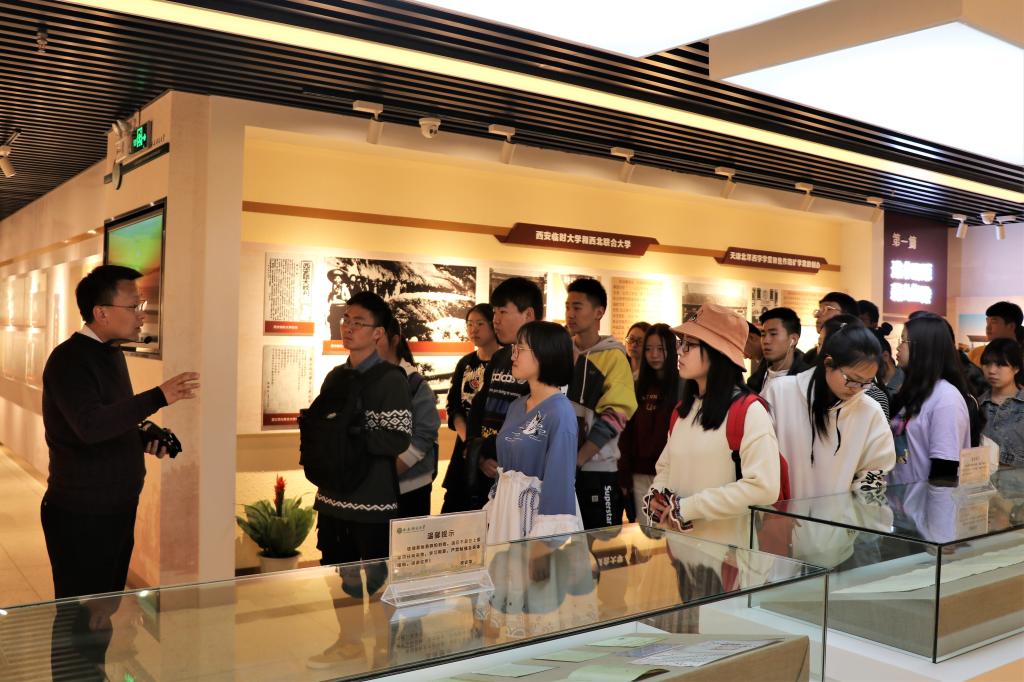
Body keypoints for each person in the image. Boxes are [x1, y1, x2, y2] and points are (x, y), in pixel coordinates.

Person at [41, 265, 199, 679]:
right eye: (134, 305)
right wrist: (158, 396)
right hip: (80, 513)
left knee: (103, 609)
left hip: (115, 507)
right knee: (80, 615)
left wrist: (142, 435)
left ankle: (93, 675)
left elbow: (109, 421)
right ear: (101, 312)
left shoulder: (111, 354)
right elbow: (89, 425)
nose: (142, 313)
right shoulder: (69, 360)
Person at [644, 304, 780, 531]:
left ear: (718, 352)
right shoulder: (682, 410)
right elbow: (666, 468)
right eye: (680, 342)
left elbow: (764, 487)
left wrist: (688, 508)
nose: (680, 351)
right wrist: (657, 495)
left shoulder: (749, 411)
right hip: (679, 547)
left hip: (727, 549)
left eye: (690, 344)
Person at [313, 291, 413, 565]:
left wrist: (349, 435)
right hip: (331, 497)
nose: (348, 327)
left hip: (372, 501)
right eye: (346, 320)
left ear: (378, 333)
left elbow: (398, 439)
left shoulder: (392, 380)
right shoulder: (335, 376)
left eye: (358, 323)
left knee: (375, 581)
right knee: (334, 579)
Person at [763, 324, 895, 498]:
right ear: (828, 363)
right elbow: (758, 459)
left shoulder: (870, 411)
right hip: (778, 510)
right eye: (852, 379)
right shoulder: (779, 393)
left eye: (866, 383)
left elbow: (875, 472)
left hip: (839, 514)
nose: (857, 388)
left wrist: (857, 509)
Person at [485, 321, 582, 543]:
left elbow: (560, 481)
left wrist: (546, 542)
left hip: (533, 517)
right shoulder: (516, 406)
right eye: (514, 348)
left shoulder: (560, 412)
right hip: (505, 511)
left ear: (545, 353)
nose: (513, 355)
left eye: (520, 349)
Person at [565, 278, 638, 530]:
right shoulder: (561, 351)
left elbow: (616, 415)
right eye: (567, 307)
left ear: (599, 312)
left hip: (597, 469)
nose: (570, 314)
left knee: (601, 543)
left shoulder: (614, 357)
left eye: (577, 307)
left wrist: (578, 459)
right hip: (560, 467)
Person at [467, 277, 544, 510]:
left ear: (528, 315)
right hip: (486, 468)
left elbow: (537, 423)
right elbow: (478, 409)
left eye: (502, 312)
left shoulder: (543, 362)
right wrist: (480, 457)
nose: (495, 320)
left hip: (520, 478)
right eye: (494, 312)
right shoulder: (500, 357)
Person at [890, 315, 973, 484]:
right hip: (900, 497)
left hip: (923, 500)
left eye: (904, 341)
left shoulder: (946, 398)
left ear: (924, 348)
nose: (898, 347)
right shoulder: (916, 391)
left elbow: (945, 469)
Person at [377, 318, 440, 518]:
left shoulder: (414, 382)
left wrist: (388, 473)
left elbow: (424, 435)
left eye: (378, 337)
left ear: (394, 340)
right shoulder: (364, 377)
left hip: (411, 486)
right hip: (371, 487)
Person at [619, 324, 680, 526]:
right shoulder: (638, 386)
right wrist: (624, 475)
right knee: (647, 532)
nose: (654, 355)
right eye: (648, 349)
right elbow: (627, 434)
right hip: (640, 473)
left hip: (671, 475)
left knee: (669, 530)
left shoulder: (683, 386)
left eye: (660, 349)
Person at [441, 304, 500, 513]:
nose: (473, 330)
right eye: (470, 324)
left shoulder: (506, 364)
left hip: (493, 448)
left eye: (480, 324)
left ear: (494, 325)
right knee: (454, 508)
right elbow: (454, 407)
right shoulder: (465, 363)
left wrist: (482, 453)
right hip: (465, 445)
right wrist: (470, 443)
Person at [818, 316, 891, 420]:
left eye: (867, 382)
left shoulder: (873, 402)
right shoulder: (802, 393)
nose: (857, 389)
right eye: (819, 344)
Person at [979, 338, 1024, 467]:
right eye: (987, 364)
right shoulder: (977, 405)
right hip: (983, 479)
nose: (992, 371)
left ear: (1016, 368)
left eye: (1000, 365)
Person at [747, 307, 809, 395]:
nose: (765, 341)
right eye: (763, 334)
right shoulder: (755, 380)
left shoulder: (807, 380)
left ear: (793, 340)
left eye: (773, 334)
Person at [804, 291, 858, 365]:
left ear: (847, 316)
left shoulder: (858, 356)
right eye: (819, 309)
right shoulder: (810, 356)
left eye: (828, 309)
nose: (817, 315)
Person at [968, 301, 1024, 367]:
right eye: (987, 322)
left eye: (993, 322)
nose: (988, 327)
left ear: (1011, 326)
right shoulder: (975, 354)